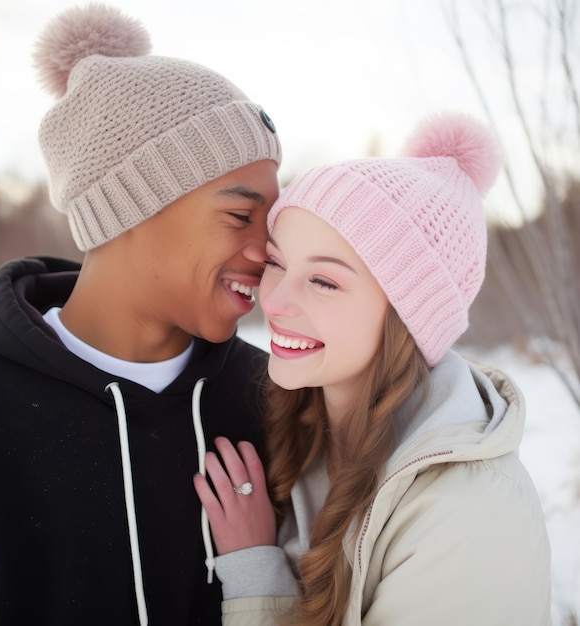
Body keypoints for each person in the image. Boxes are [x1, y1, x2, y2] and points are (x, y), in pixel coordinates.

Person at [0, 4, 280, 625]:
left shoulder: (276, 401)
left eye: (275, 220)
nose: (269, 252)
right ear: (129, 209)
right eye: (241, 216)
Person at [194, 112, 552, 625]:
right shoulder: (305, 430)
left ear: (408, 316)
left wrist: (256, 574)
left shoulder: (468, 514)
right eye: (276, 263)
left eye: (323, 281)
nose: (273, 301)